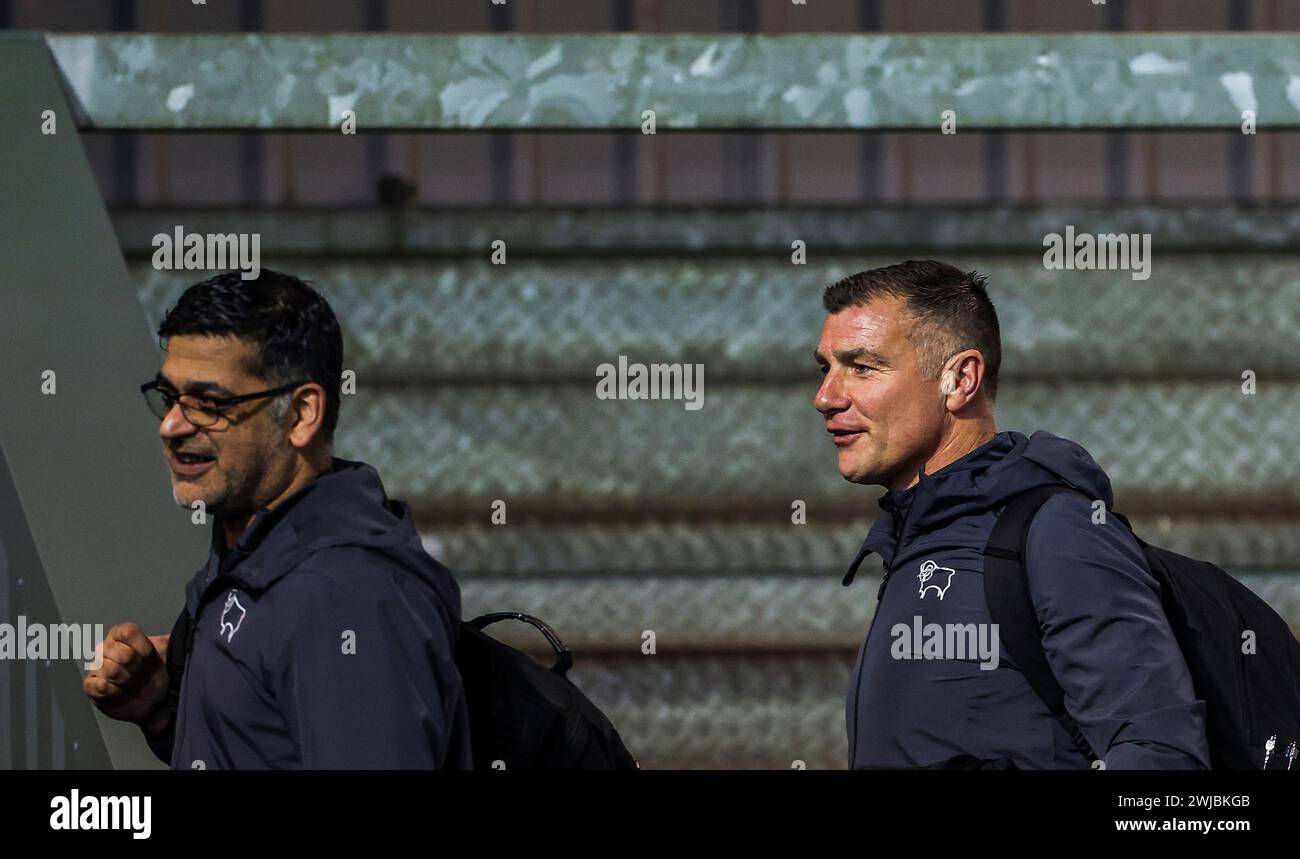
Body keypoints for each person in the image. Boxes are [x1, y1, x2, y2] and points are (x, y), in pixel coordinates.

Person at [813, 260, 1209, 769]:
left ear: (960, 379)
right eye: (826, 369)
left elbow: (1162, 756)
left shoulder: (1056, 531)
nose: (825, 397)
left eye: (862, 367)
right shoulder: (916, 540)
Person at [83, 269, 471, 768]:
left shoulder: (342, 596)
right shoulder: (254, 553)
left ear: (301, 414)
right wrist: (162, 712)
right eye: (170, 397)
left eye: (210, 404)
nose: (171, 425)